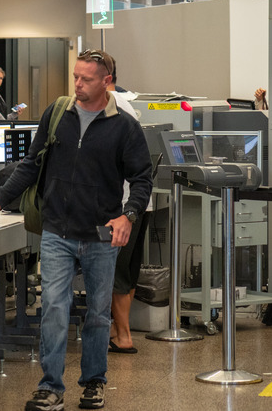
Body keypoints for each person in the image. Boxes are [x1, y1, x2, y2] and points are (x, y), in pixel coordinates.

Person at [0, 49, 152, 411]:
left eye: (86, 79)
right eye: (75, 77)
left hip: (101, 233)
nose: (78, 84)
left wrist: (128, 215)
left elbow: (143, 177)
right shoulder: (58, 113)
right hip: (57, 230)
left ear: (107, 82)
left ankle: (94, 382)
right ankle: (50, 387)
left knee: (99, 313)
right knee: (54, 307)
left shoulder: (124, 126)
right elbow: (30, 165)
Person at [107, 58, 149, 354]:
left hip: (122, 205)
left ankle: (123, 336)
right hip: (136, 202)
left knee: (117, 271)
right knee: (129, 270)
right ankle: (119, 329)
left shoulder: (114, 108)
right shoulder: (126, 103)